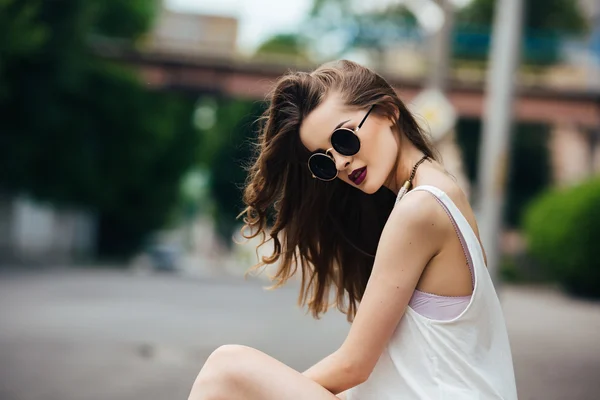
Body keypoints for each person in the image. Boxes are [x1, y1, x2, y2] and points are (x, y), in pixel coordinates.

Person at [188, 60, 518, 400]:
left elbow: (353, 366)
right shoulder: (436, 192)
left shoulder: (421, 208)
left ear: (388, 111)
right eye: (323, 160)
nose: (341, 163)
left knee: (225, 369)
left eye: (344, 139)